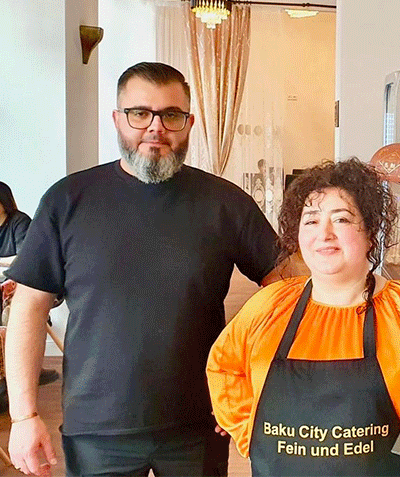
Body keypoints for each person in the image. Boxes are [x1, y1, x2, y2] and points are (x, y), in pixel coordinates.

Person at [4, 62, 281, 477]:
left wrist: (250, 384)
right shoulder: (68, 200)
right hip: (96, 427)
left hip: (199, 423)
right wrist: (24, 416)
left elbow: (286, 293)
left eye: (171, 115)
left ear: (189, 124)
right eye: (140, 113)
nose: (156, 128)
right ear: (118, 119)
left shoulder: (225, 203)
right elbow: (28, 308)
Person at [207, 158, 400, 476]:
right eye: (311, 221)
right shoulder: (269, 307)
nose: (324, 234)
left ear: (371, 233)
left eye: (341, 219)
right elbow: (224, 367)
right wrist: (250, 434)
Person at [0, 182, 58, 410]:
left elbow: (26, 259)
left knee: (14, 314)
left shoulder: (19, 222)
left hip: (22, 284)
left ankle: (14, 379)